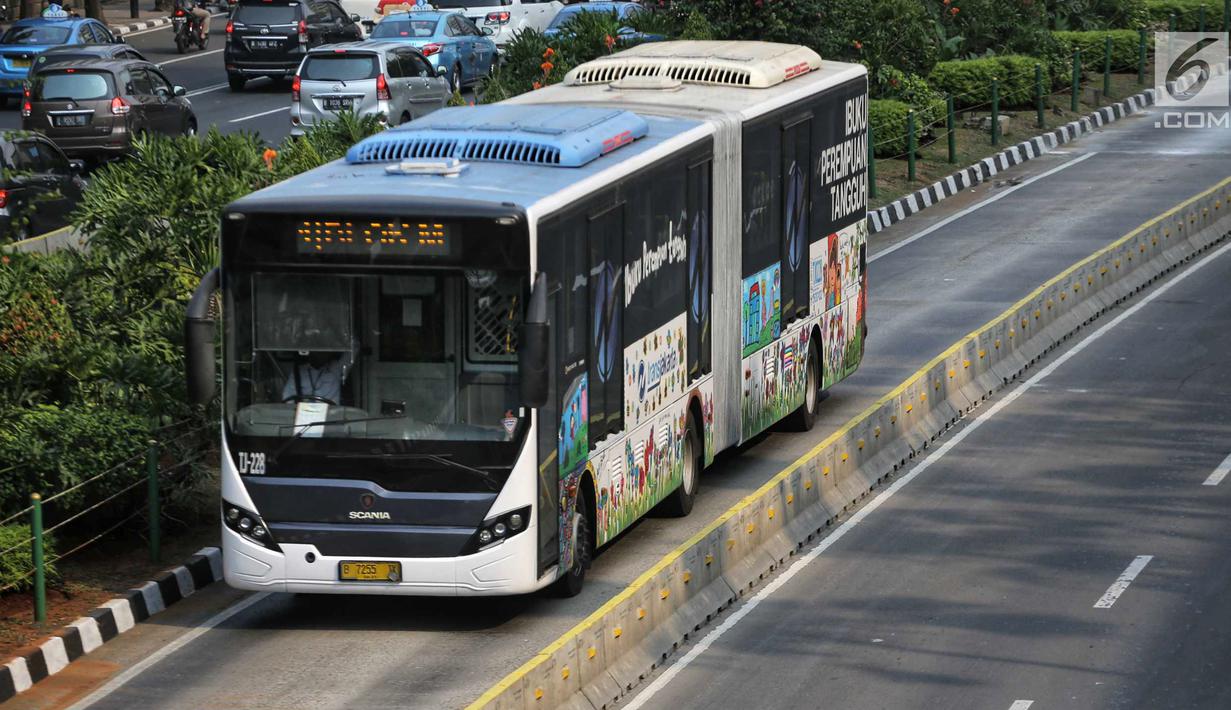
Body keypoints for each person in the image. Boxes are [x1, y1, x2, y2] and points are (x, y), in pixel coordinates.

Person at [282, 350, 351, 404]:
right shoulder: (299, 371)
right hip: (304, 416)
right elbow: (288, 398)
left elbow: (354, 347)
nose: (321, 354)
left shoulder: (336, 368)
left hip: (330, 416)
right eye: (318, 352)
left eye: (324, 351)